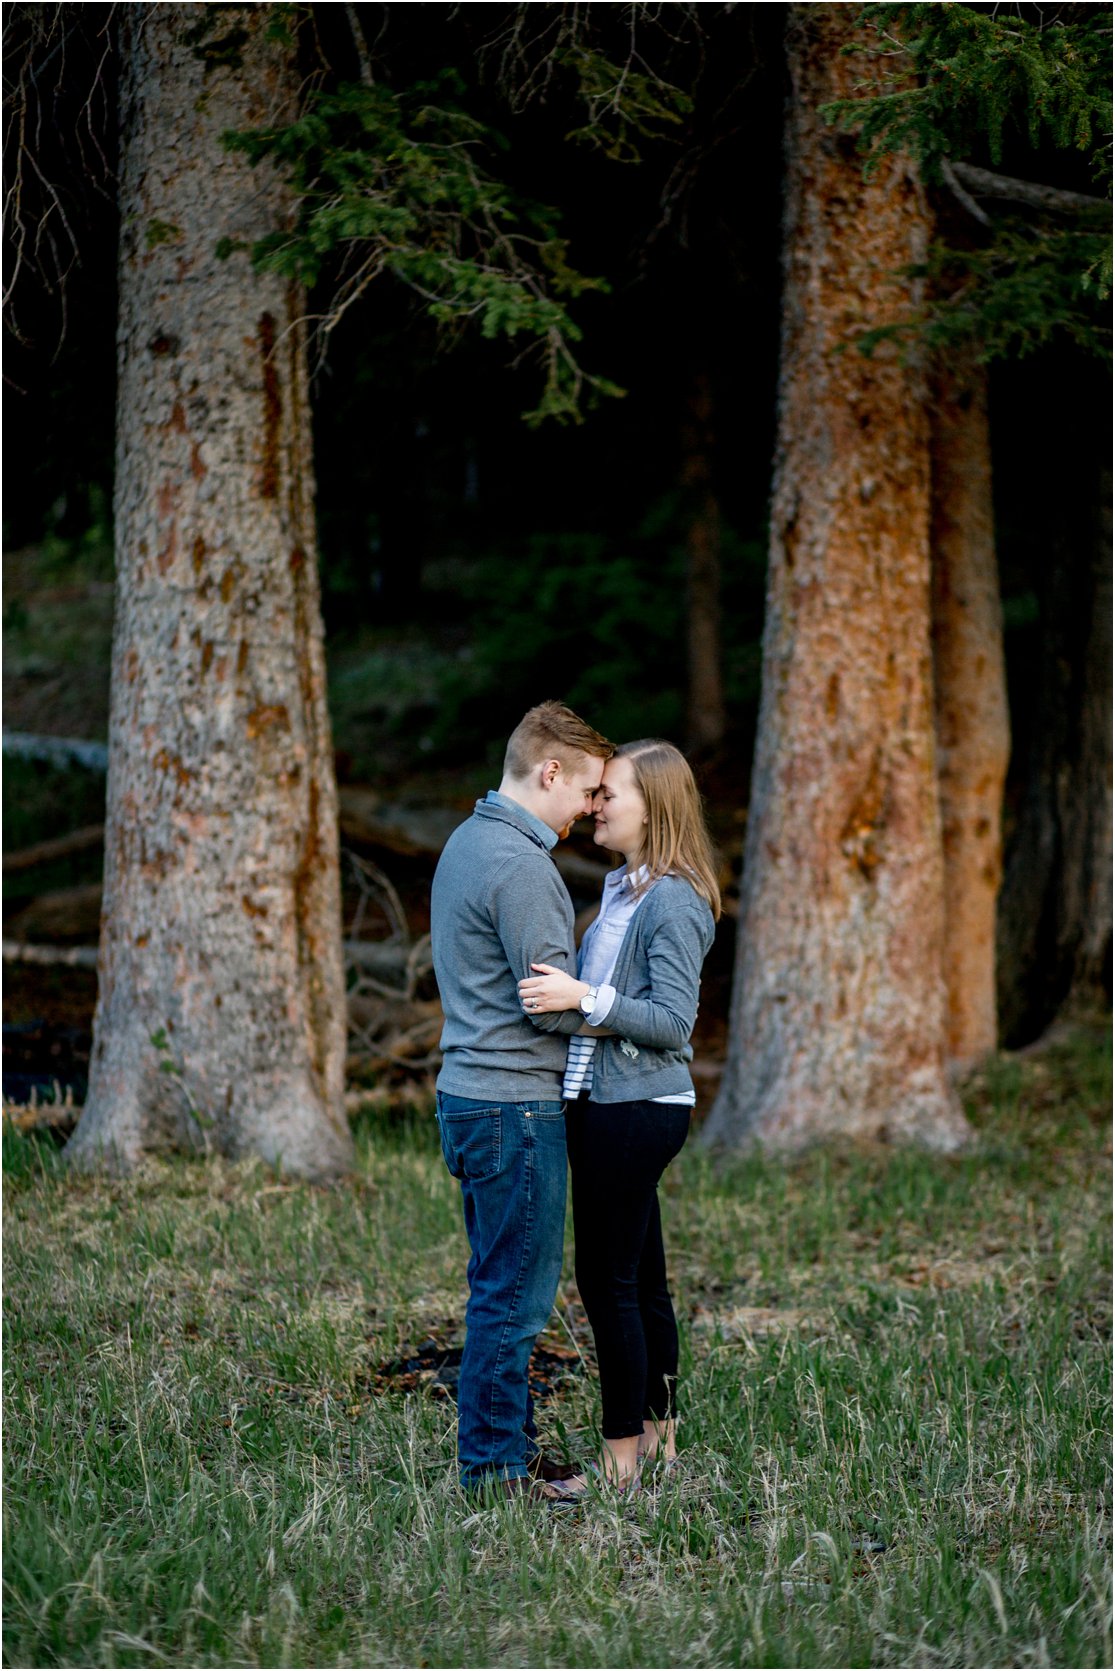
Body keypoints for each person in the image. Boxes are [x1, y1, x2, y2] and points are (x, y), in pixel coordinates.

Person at [517, 739, 720, 1495]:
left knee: (608, 1285)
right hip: (606, 1101)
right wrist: (574, 1006)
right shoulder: (623, 889)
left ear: (655, 804)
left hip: (633, 1107)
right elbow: (609, 1014)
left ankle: (618, 1465)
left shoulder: (671, 896)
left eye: (611, 793)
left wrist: (581, 998)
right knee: (644, 1279)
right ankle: (659, 1443)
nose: (596, 804)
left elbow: (671, 1020)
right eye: (595, 793)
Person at [430, 700, 614, 1498]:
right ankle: (495, 1470)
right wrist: (627, 1006)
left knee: (494, 1284)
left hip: (467, 1098)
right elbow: (557, 1003)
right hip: (511, 1106)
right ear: (549, 772)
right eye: (586, 790)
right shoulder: (522, 865)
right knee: (515, 1299)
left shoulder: (467, 842)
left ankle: (501, 1450)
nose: (589, 809)